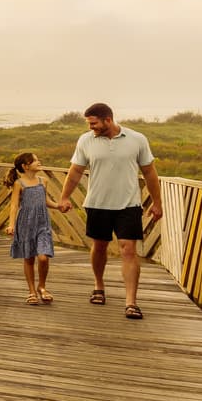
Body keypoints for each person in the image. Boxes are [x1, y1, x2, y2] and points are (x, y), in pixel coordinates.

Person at [55, 102, 162, 319]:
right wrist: (65, 197)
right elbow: (75, 171)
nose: (90, 128)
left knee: (128, 250)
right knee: (99, 246)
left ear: (108, 120)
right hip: (97, 203)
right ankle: (99, 285)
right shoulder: (85, 140)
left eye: (94, 123)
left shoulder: (137, 139)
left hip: (129, 205)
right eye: (89, 124)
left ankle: (131, 302)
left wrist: (157, 203)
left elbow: (150, 172)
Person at [4, 152, 55, 305]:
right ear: (25, 166)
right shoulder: (19, 183)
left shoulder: (43, 181)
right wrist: (11, 224)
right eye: (35, 161)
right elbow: (14, 206)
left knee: (43, 257)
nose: (39, 162)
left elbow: (46, 201)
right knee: (29, 258)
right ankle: (32, 291)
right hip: (25, 223)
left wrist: (59, 206)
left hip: (42, 223)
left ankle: (42, 286)